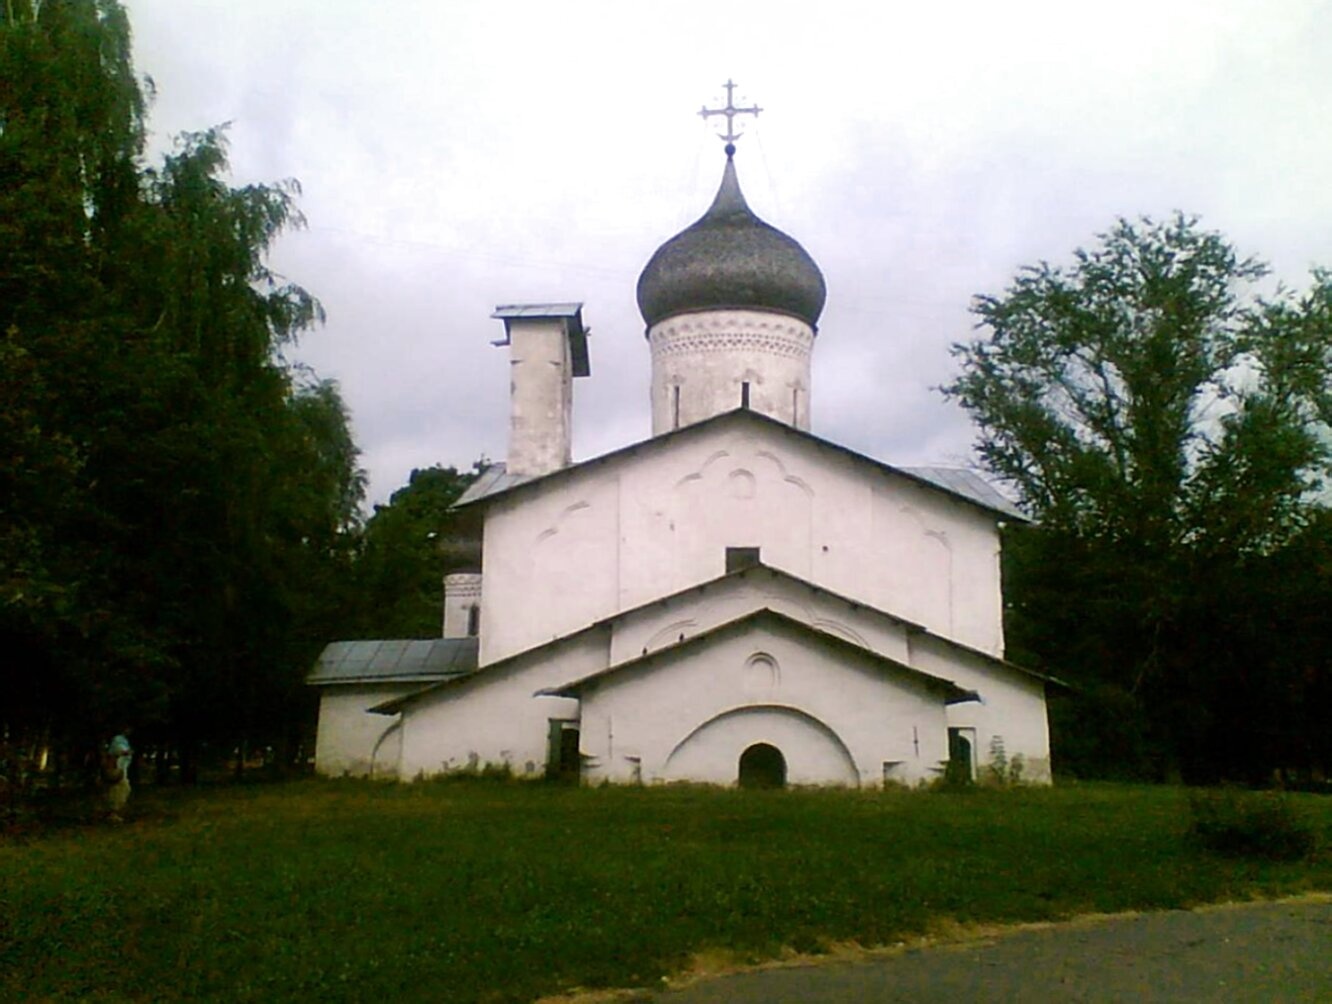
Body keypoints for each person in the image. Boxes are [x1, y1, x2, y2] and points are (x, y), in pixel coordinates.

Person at [104, 730, 133, 821]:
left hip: (122, 767)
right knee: (118, 790)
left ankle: (116, 811)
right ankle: (113, 813)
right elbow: (119, 751)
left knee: (124, 789)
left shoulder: (124, 740)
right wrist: (129, 752)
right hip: (117, 767)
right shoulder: (118, 739)